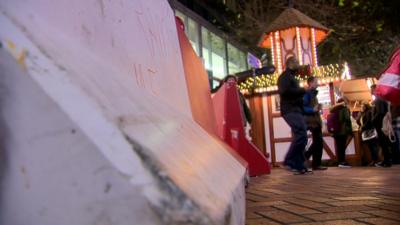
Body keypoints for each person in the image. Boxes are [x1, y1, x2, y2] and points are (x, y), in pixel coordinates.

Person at [278, 56, 310, 174]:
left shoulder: (291, 77)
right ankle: (290, 160)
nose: (298, 64)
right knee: (301, 134)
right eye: (296, 62)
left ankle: (298, 164)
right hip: (290, 109)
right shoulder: (284, 77)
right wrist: (302, 90)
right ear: (290, 64)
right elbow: (284, 92)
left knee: (301, 135)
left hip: (294, 109)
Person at [303, 76, 327, 170]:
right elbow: (302, 106)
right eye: (316, 81)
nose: (318, 83)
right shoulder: (307, 93)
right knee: (318, 142)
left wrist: (317, 108)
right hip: (311, 121)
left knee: (318, 142)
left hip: (315, 120)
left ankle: (314, 162)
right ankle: (313, 161)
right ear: (311, 83)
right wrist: (312, 109)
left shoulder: (312, 94)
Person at [371, 84, 392, 167]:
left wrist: (373, 120)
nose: (371, 91)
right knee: (384, 142)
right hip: (382, 123)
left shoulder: (378, 99)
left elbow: (380, 112)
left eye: (372, 89)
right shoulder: (382, 99)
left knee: (383, 142)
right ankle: (386, 160)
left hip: (380, 124)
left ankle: (386, 161)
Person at [330, 97, 352, 168]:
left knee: (339, 147)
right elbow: (347, 119)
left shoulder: (334, 109)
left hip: (335, 131)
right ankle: (342, 162)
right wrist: (350, 130)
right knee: (342, 147)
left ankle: (340, 161)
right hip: (342, 131)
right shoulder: (344, 109)